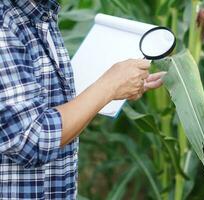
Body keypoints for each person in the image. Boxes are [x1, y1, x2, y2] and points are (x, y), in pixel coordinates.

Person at [0, 0, 166, 199]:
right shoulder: (5, 24)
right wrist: (109, 86)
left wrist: (119, 86)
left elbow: (50, 100)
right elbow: (31, 139)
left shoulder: (40, 13)